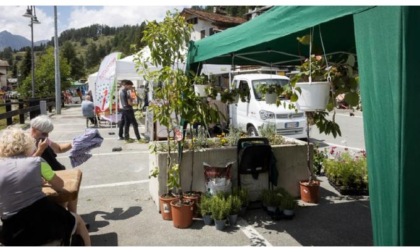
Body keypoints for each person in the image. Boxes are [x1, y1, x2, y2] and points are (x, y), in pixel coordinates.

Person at [0, 127, 91, 246]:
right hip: (46, 223)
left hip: (13, 232)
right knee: (78, 220)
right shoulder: (37, 162)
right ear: (27, 143)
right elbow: (60, 185)